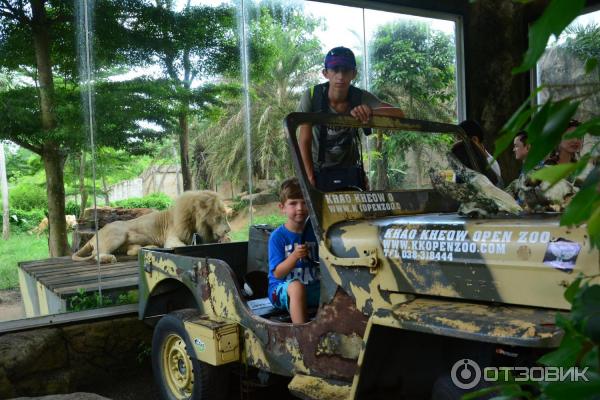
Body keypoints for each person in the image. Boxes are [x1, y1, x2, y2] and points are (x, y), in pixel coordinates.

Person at [298, 46, 404, 191]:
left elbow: (398, 114)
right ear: (325, 73)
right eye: (335, 69)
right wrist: (309, 176)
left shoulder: (359, 96)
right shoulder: (312, 96)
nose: (340, 76)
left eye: (346, 70)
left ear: (353, 73)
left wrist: (370, 111)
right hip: (318, 171)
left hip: (350, 171)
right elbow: (304, 139)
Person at [268, 177, 319, 324]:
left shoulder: (316, 234)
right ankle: (301, 335)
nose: (300, 208)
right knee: (297, 287)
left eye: (304, 202)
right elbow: (277, 273)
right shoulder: (278, 237)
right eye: (293, 203)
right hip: (282, 290)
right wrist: (294, 256)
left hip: (312, 287)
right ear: (282, 207)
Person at [451, 120, 503, 187]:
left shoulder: (487, 165)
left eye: (459, 139)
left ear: (474, 140)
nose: (457, 143)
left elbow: (462, 178)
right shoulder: (473, 159)